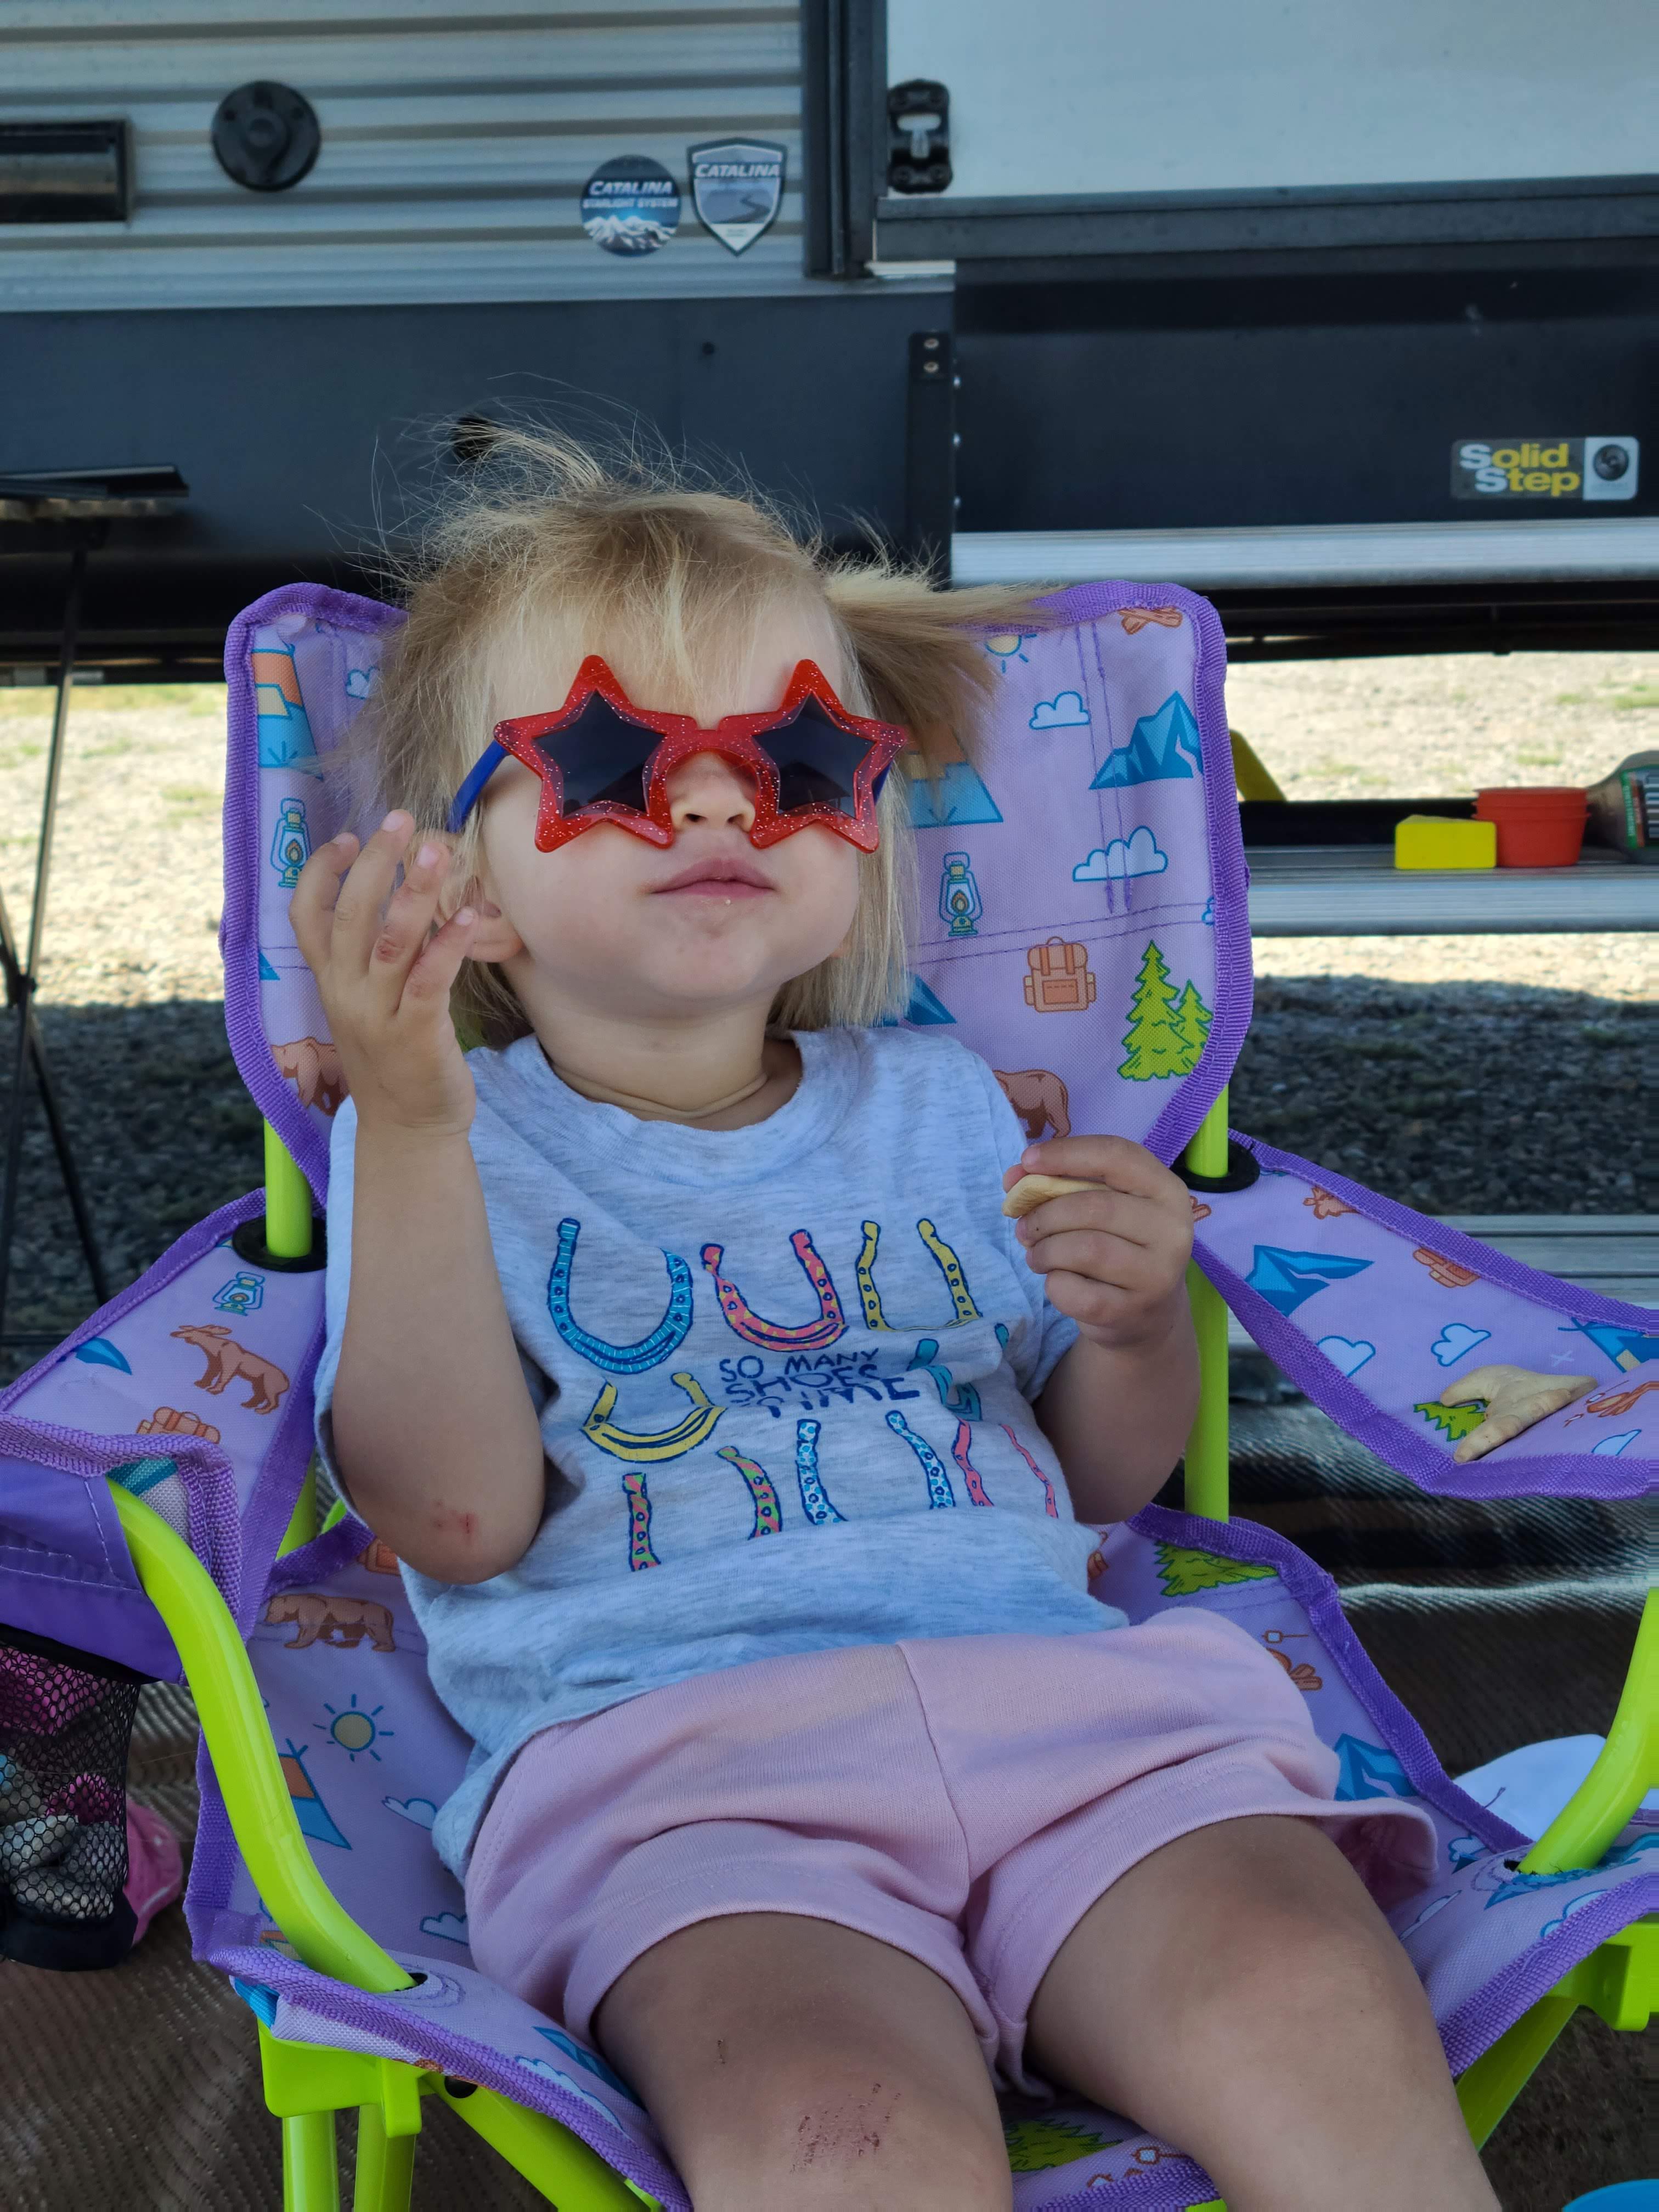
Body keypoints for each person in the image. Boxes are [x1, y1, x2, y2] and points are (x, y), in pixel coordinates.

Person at [293, 433, 1499, 2212]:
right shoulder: (443, 1145)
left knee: (1309, 1991)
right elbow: (454, 1523)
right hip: (689, 1792)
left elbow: (1092, 1486)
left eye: (794, 762)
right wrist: (404, 1127)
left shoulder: (957, 1111)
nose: (722, 807)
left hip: (1080, 1725)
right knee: (837, 2132)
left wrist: (1136, 1329)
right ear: (460, 879)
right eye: (616, 761)